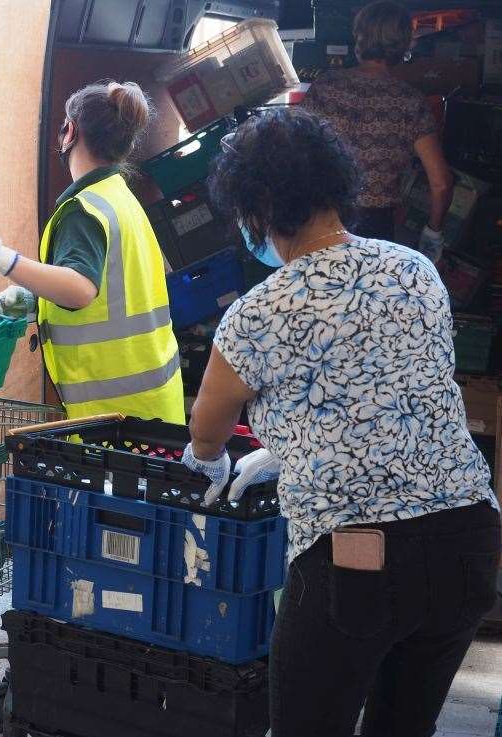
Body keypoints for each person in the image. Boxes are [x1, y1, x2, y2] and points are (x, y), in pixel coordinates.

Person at [180, 106, 500, 737]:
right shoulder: (415, 270)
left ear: (258, 206)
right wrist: (299, 440)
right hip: (471, 543)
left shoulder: (256, 314)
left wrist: (214, 463)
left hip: (360, 560)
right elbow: (395, 385)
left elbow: (206, 430)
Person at [0, 81, 184, 423]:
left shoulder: (82, 210)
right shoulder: (119, 197)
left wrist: (3, 259)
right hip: (155, 405)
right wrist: (37, 297)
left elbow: (81, 288)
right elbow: (117, 287)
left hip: (114, 420)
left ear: (69, 131)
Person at [302, 0, 454, 259]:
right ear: (404, 45)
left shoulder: (325, 88)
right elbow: (441, 184)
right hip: (376, 229)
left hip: (321, 222)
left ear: (359, 37)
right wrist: (433, 233)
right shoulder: (411, 102)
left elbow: (294, 154)